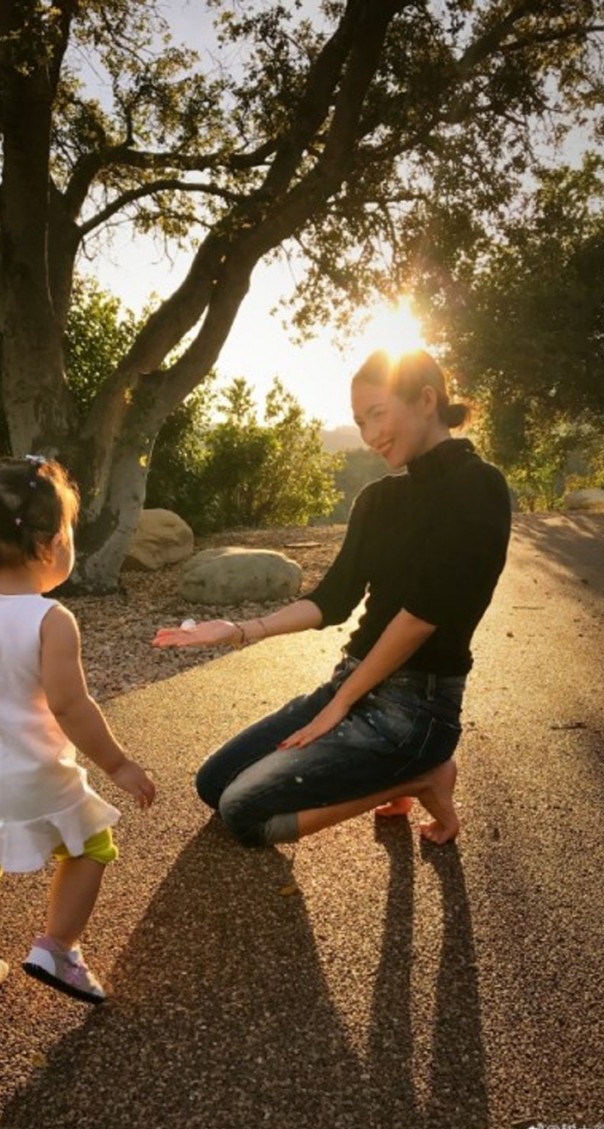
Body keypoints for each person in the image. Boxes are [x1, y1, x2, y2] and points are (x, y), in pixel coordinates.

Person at [153, 349, 510, 849]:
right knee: (213, 784)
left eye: (378, 414)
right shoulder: (378, 500)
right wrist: (239, 631)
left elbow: (419, 619)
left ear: (426, 400)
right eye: (360, 422)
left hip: (415, 710)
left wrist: (338, 707)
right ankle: (396, 770)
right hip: (353, 682)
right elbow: (333, 599)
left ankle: (421, 775)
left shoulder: (479, 488)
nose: (369, 435)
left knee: (243, 812)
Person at [0, 456, 155, 1015]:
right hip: (35, 773)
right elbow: (70, 705)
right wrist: (117, 764)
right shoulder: (51, 619)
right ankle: (57, 947)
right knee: (91, 846)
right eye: (68, 531)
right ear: (48, 543)